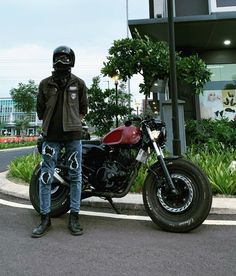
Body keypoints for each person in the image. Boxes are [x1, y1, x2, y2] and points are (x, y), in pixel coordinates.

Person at [31, 46, 88, 238]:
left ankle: (74, 217)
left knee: (75, 176)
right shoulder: (45, 84)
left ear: (71, 60)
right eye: (58, 57)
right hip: (50, 136)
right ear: (53, 60)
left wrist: (73, 121)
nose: (62, 61)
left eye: (65, 57)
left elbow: (83, 108)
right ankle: (45, 218)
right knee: (46, 176)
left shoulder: (79, 84)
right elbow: (40, 109)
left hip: (73, 136)